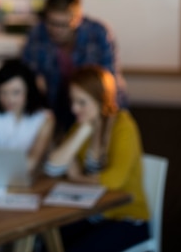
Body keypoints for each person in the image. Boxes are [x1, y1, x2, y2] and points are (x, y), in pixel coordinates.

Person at [43, 65, 148, 252]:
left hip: (127, 218)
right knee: (44, 241)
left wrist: (77, 179)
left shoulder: (123, 125)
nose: (74, 108)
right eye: (72, 101)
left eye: (82, 102)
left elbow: (114, 181)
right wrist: (83, 131)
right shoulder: (82, 126)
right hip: (93, 214)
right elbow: (53, 168)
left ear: (101, 99)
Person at [21, 0, 127, 139]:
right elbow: (27, 76)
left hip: (93, 107)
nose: (55, 30)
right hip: (54, 107)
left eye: (63, 25)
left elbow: (109, 82)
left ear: (78, 18)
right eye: (51, 23)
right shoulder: (37, 34)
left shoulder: (98, 33)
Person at [0, 58, 55, 174]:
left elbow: (32, 162)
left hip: (26, 180)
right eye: (3, 92)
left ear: (29, 90)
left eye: (16, 92)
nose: (9, 99)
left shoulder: (45, 119)